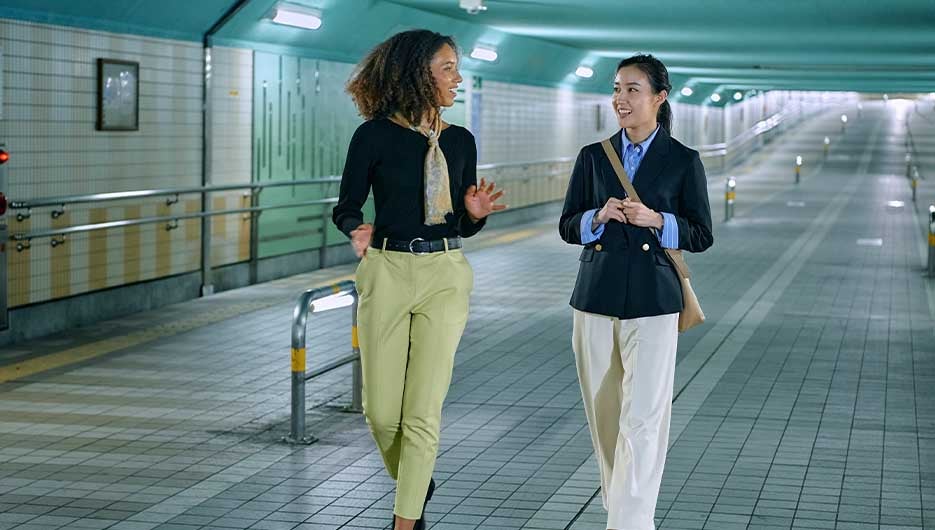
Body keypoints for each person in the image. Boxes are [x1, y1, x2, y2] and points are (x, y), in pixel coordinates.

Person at [333, 29, 506, 530]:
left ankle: (405, 520)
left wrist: (475, 214)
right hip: (386, 270)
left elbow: (464, 224)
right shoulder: (373, 136)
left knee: (423, 411)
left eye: (456, 67)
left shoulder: (460, 141)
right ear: (416, 74)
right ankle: (416, 478)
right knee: (382, 414)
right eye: (447, 67)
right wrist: (355, 229)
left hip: (445, 272)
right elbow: (346, 205)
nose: (458, 78)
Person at [558, 54, 713, 530]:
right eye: (617, 89)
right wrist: (597, 217)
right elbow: (567, 226)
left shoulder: (683, 160)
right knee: (605, 417)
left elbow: (701, 234)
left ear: (659, 98)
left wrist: (659, 221)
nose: (620, 99)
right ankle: (624, 508)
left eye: (632, 90)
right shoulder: (593, 156)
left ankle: (628, 522)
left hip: (654, 301)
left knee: (644, 420)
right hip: (595, 298)